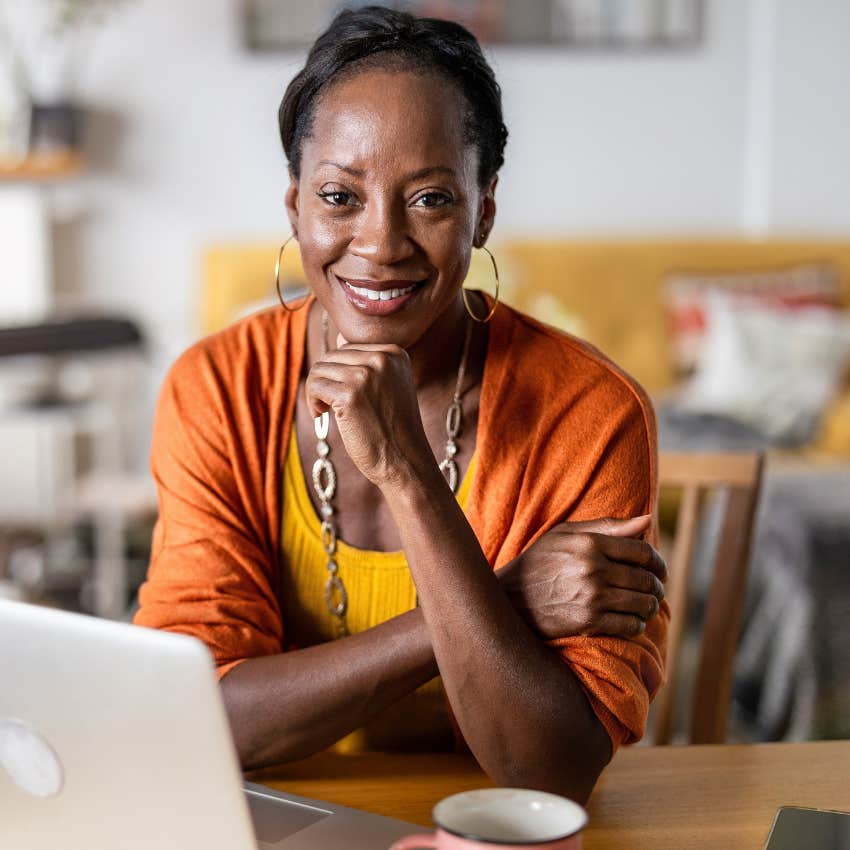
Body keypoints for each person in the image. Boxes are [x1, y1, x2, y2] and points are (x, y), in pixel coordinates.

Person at [134, 5, 668, 803]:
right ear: (295, 209)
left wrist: (409, 474)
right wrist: (511, 595)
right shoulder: (217, 388)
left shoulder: (589, 412)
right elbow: (197, 720)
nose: (381, 244)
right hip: (283, 821)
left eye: (429, 200)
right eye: (340, 196)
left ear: (484, 208)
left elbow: (548, 772)